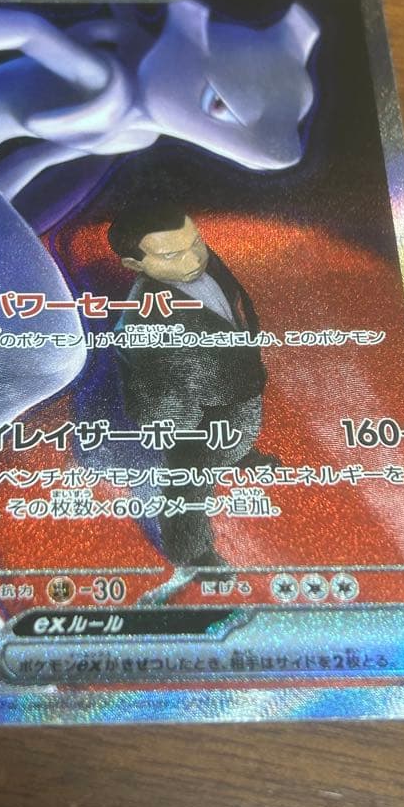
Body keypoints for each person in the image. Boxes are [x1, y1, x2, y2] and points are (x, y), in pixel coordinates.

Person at [108, 201, 276, 569]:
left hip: (235, 380)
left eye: (195, 242)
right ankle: (192, 551)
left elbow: (234, 300)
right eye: (171, 254)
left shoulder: (203, 261)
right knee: (188, 480)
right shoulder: (141, 321)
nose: (194, 259)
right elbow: (154, 389)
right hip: (192, 412)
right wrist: (184, 437)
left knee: (242, 425)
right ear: (134, 265)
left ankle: (238, 453)